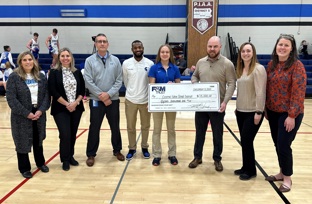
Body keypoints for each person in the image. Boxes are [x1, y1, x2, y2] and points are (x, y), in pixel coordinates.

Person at [265, 34, 306, 193]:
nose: (282, 47)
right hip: (273, 112)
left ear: (292, 49)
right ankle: (281, 172)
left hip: (289, 113)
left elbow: (298, 92)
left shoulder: (297, 66)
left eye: (286, 45)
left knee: (284, 145)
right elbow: (267, 88)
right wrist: (266, 109)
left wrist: (291, 115)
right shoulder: (271, 65)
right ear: (276, 47)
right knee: (277, 144)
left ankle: (287, 178)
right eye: (280, 44)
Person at [188, 36, 236, 171]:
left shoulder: (227, 64)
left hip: (218, 106)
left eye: (215, 46)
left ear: (220, 47)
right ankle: (197, 157)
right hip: (201, 104)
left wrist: (225, 102)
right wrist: (195, 84)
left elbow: (232, 83)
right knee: (199, 133)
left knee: (217, 134)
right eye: (210, 46)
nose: (212, 49)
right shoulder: (200, 62)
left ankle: (217, 159)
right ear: (207, 47)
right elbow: (195, 76)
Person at [6, 51, 50, 179]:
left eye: (30, 59)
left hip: (39, 113)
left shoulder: (41, 76)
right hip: (21, 115)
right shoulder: (14, 77)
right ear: (20, 62)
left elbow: (47, 96)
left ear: (34, 61)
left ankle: (40, 163)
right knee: (22, 141)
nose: (28, 62)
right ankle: (24, 168)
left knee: (38, 139)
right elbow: (11, 98)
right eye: (24, 60)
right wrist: (27, 113)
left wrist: (40, 110)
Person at [84, 33, 124, 166]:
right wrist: (101, 95)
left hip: (113, 100)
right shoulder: (89, 60)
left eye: (104, 41)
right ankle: (91, 154)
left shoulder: (116, 60)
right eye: (99, 41)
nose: (102, 43)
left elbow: (119, 80)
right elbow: (88, 80)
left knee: (115, 127)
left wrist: (109, 95)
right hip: (96, 100)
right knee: (94, 127)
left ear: (108, 44)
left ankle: (117, 150)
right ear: (95, 44)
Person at [48, 48, 85, 171]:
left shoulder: (77, 72)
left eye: (67, 56)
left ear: (71, 57)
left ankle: (70, 156)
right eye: (62, 56)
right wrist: (67, 104)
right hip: (60, 109)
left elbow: (82, 90)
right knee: (65, 134)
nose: (65, 58)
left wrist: (75, 103)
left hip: (76, 108)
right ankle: (64, 159)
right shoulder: (54, 72)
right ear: (59, 58)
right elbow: (53, 91)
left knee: (73, 134)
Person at [234, 42, 267, 180]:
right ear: (240, 54)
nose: (246, 53)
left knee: (247, 140)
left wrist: (259, 111)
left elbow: (261, 92)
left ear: (253, 53)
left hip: (253, 111)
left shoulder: (258, 69)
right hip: (240, 110)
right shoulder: (240, 69)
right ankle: (245, 166)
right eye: (243, 51)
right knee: (244, 140)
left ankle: (251, 170)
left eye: (248, 51)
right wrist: (236, 108)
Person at [148, 44, 181, 166]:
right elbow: (151, 86)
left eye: (167, 52)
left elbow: (179, 86)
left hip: (171, 104)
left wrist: (173, 87)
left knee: (171, 129)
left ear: (170, 54)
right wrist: (151, 102)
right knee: (157, 130)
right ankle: (156, 155)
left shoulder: (175, 69)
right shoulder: (154, 68)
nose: (165, 54)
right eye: (162, 52)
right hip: (158, 104)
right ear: (159, 54)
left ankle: (172, 154)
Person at [122, 40, 154, 160]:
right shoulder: (126, 63)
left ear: (143, 48)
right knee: (130, 126)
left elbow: (151, 81)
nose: (138, 49)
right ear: (132, 50)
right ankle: (132, 148)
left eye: (139, 47)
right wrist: (132, 91)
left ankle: (144, 147)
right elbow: (125, 81)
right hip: (130, 100)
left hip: (145, 100)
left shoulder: (150, 63)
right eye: (135, 48)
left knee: (145, 126)